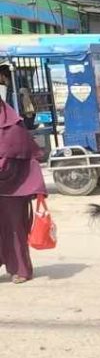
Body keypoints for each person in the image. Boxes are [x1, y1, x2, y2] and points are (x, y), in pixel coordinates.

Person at [0, 99, 46, 284]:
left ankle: (21, 269)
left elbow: (16, 155)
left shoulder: (13, 127)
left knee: (14, 229)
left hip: (13, 186)